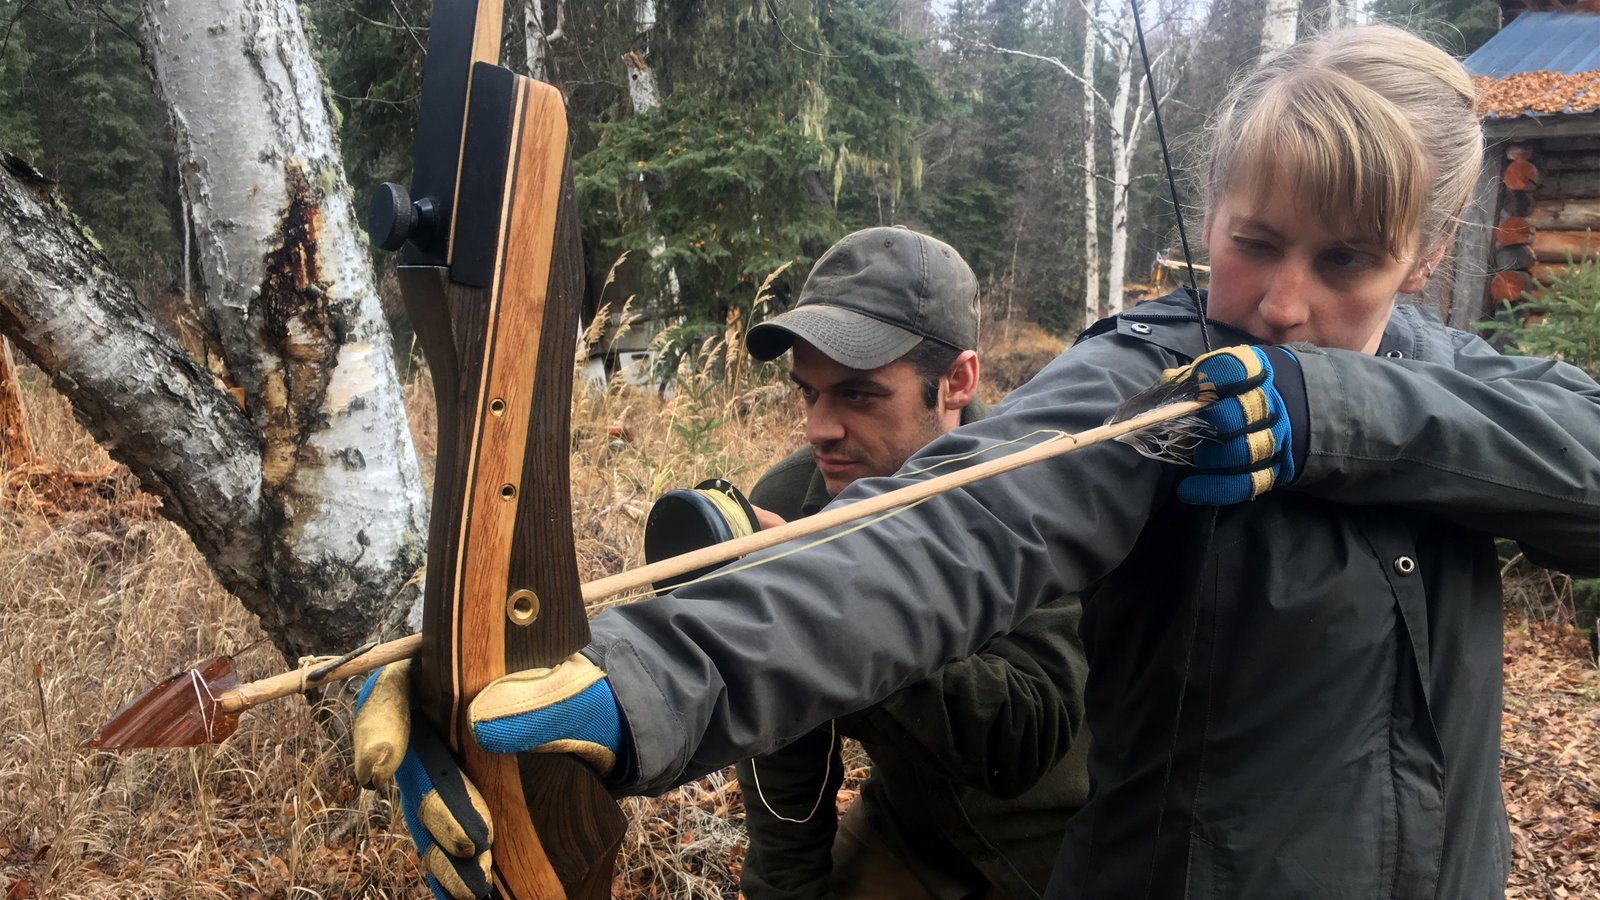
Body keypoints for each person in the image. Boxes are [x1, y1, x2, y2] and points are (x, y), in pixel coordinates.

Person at [355, 25, 1600, 899]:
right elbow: (950, 534)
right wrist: (635, 677)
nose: (1280, 305)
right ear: (1212, 213)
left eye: (1345, 264)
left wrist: (1345, 413)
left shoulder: (1464, 381)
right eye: (1256, 243)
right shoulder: (1160, 381)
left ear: (1422, 256)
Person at [735, 226, 1090, 900]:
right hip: (912, 830)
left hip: (1065, 845)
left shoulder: (1036, 490)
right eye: (808, 393)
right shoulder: (793, 500)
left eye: (857, 394)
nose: (818, 429)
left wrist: (831, 603)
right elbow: (782, 747)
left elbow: (1021, 740)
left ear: (956, 382)